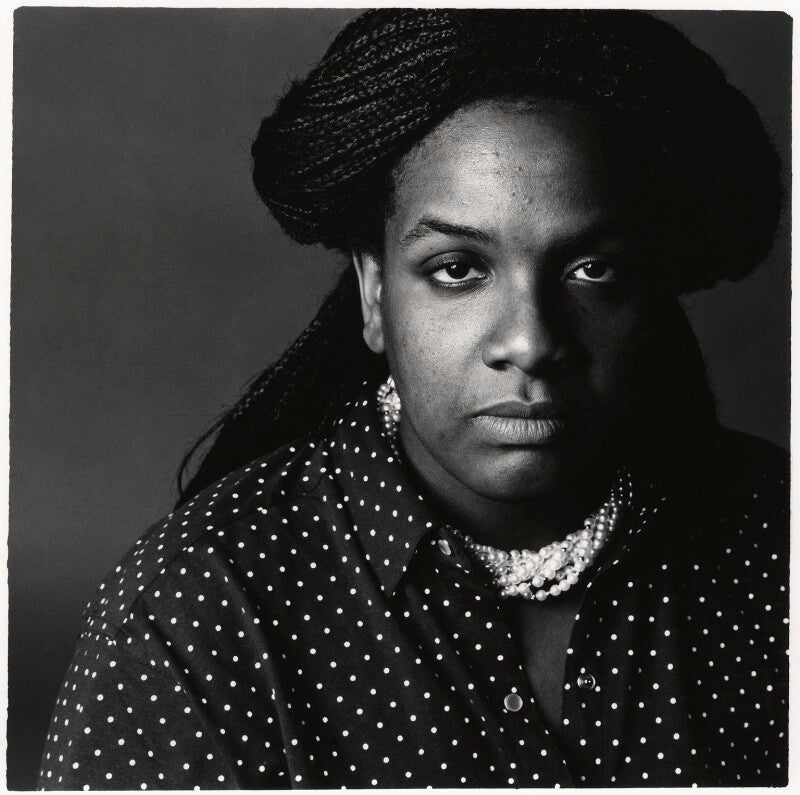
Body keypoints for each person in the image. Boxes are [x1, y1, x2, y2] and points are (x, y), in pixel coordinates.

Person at [38, 8, 787, 789]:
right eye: (458, 268)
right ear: (373, 291)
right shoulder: (197, 608)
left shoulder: (774, 549)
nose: (530, 340)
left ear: (652, 287)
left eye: (592, 269)